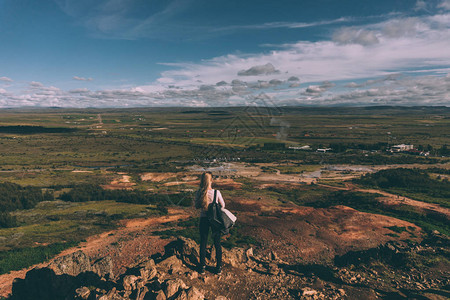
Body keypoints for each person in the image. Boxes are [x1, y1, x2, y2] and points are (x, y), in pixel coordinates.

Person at [194, 171, 225, 275]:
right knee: (217, 243)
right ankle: (218, 267)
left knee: (203, 242)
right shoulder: (216, 192)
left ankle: (202, 266)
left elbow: (196, 206)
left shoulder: (199, 192)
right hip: (215, 220)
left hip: (203, 219)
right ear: (211, 180)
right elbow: (223, 205)